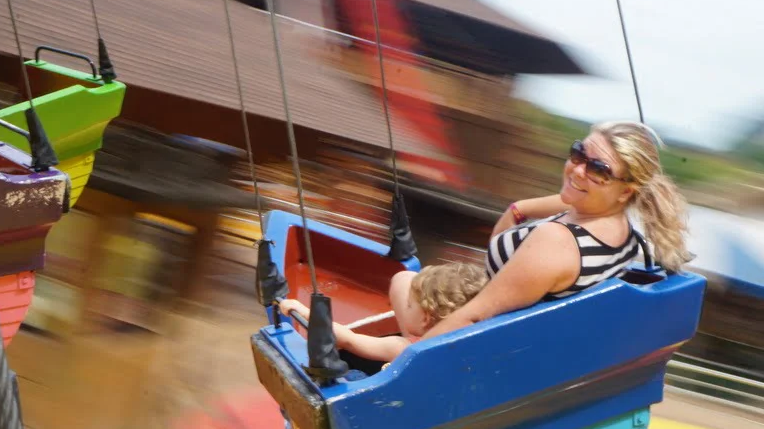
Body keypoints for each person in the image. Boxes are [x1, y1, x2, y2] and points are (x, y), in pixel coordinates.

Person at [416, 120, 692, 341]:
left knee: (404, 283)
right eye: (578, 154)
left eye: (599, 169)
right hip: (504, 323)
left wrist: (405, 358)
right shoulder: (618, 230)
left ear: (625, 193)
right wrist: (517, 209)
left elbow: (475, 317)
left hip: (481, 340)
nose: (578, 170)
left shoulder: (557, 241)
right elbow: (563, 198)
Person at [279, 261, 488, 364]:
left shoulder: (405, 348)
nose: (405, 308)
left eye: (409, 306)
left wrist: (306, 312)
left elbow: (348, 340)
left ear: (426, 318)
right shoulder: (478, 338)